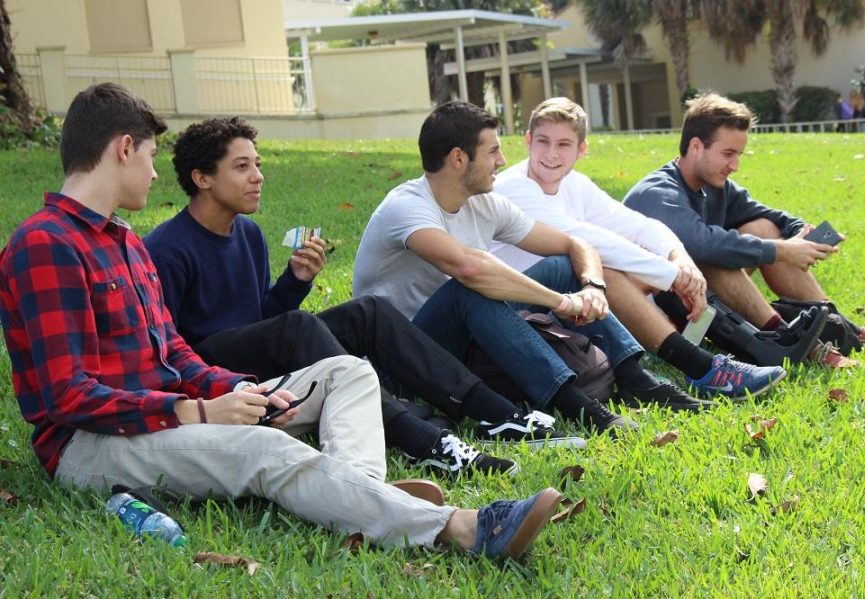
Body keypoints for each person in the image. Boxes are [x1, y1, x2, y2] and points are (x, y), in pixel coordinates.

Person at [0, 83, 562, 561]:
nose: (153, 171)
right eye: (149, 155)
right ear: (124, 149)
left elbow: (174, 353)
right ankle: (460, 527)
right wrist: (195, 411)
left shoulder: (126, 243)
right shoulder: (46, 245)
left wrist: (238, 391)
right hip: (92, 444)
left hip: (170, 413)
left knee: (348, 372)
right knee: (267, 452)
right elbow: (67, 396)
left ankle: (359, 499)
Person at [143, 118, 580, 478]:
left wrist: (295, 281)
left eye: (257, 164)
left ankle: (498, 416)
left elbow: (262, 319)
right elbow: (168, 354)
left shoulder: (249, 233)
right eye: (241, 167)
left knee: (369, 312)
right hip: (214, 377)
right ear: (202, 178)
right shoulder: (168, 248)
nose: (258, 176)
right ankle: (424, 442)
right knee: (299, 326)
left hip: (256, 353)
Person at [491, 98, 810, 390]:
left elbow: (638, 225)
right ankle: (702, 369)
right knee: (601, 266)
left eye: (564, 144)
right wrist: (673, 275)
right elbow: (586, 239)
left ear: (581, 150)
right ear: (528, 141)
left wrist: (679, 258)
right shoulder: (514, 189)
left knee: (643, 257)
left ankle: (752, 340)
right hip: (505, 310)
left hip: (559, 302)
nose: (551, 154)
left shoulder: (575, 184)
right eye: (543, 142)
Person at [623, 93, 865, 361]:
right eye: (727, 154)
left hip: (700, 308)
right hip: (657, 320)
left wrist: (802, 235)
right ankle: (791, 341)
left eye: (738, 154)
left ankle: (839, 326)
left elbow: (771, 217)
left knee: (762, 228)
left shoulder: (716, 186)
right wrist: (782, 251)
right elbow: (702, 244)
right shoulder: (657, 192)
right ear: (695, 146)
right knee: (712, 257)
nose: (735, 166)